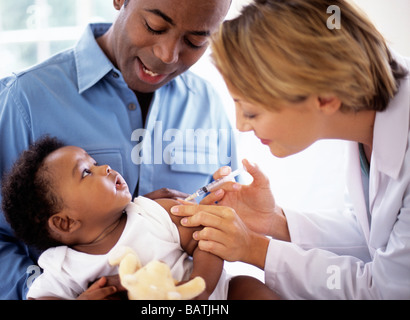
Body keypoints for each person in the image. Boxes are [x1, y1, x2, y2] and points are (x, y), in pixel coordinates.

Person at [0, 0, 238, 300]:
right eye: (154, 27)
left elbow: (230, 221)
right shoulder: (23, 98)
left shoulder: (208, 103)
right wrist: (49, 287)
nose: (167, 55)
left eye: (195, 40)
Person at [171, 0, 410, 299]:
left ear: (325, 97)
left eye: (252, 112)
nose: (241, 126)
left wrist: (254, 249)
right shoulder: (368, 127)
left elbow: (389, 290)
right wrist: (273, 221)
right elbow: (375, 238)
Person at [0, 136, 278, 300]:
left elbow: (207, 238)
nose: (104, 168)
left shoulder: (151, 212)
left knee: (247, 288)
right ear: (65, 222)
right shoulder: (63, 267)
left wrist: (198, 288)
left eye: (95, 163)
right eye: (86, 172)